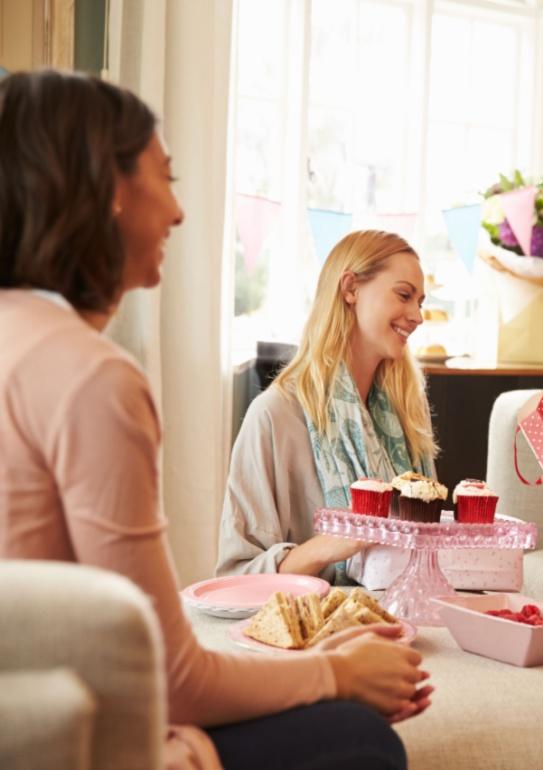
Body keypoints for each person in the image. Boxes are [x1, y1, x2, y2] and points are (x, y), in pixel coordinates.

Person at [0, 70, 430, 770]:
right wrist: (334, 674)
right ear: (107, 191)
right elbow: (169, 678)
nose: (177, 212)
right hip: (78, 723)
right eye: (163, 177)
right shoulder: (92, 376)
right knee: (363, 739)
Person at [215, 229, 437, 582]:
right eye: (404, 295)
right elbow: (237, 575)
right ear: (350, 288)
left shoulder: (407, 413)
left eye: (420, 302)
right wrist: (332, 544)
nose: (417, 315)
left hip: (405, 617)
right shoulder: (274, 416)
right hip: (320, 627)